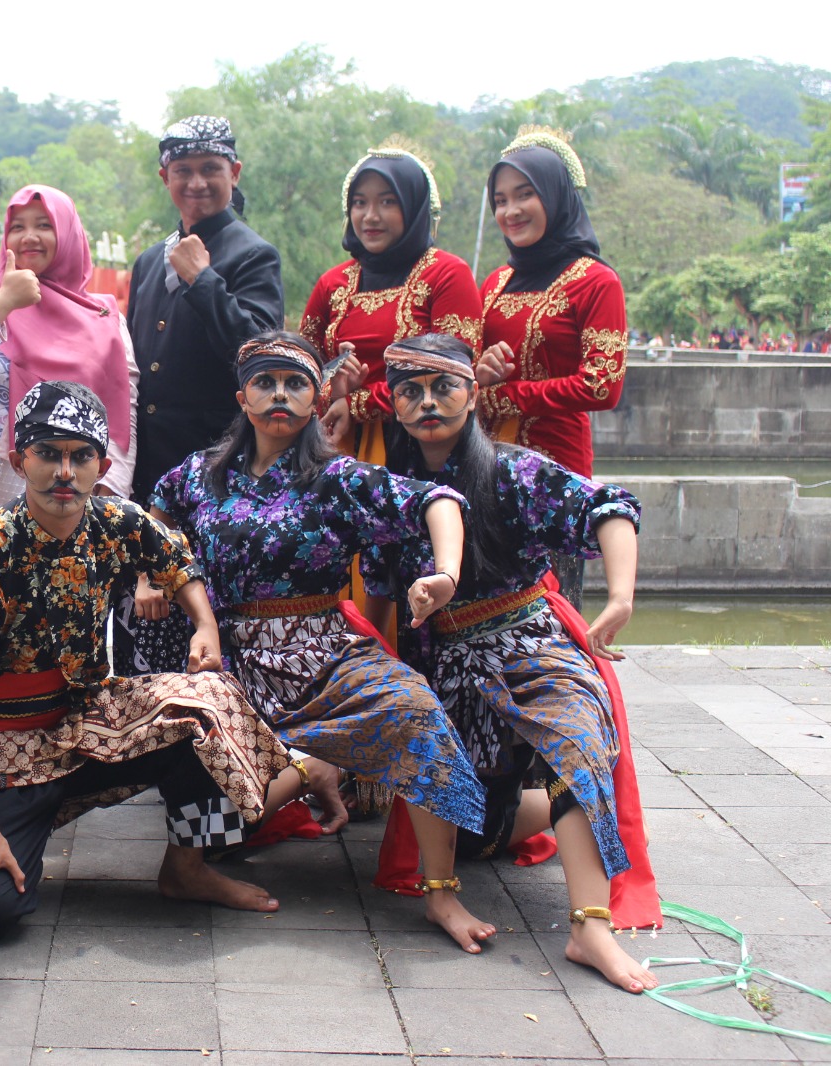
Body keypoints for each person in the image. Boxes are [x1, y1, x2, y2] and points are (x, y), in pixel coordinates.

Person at [151, 332, 495, 953]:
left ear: (316, 400)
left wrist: (445, 574)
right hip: (230, 657)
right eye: (265, 383)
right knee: (212, 777)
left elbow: (440, 499)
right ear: (243, 397)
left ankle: (441, 892)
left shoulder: (337, 479)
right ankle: (190, 865)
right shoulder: (202, 474)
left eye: (296, 384)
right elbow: (158, 516)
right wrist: (157, 576)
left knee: (415, 710)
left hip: (323, 649)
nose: (280, 395)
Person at [0, 381, 301, 942]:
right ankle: (6, 826)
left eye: (80, 456)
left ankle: (187, 869)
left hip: (89, 722)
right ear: (19, 460)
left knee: (208, 703)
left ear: (101, 466)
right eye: (48, 453)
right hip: (10, 748)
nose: (65, 472)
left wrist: (205, 626)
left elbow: (174, 556)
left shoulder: (113, 520)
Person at [366, 333, 661, 992]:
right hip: (442, 661)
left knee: (575, 731)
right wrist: (381, 666)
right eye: (411, 391)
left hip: (529, 645)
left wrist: (620, 596)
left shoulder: (512, 472)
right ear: (395, 404)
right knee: (445, 773)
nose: (428, 402)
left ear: (472, 395)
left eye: (443, 387)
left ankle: (590, 927)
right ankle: (441, 895)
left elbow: (609, 506)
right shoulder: (389, 492)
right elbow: (382, 594)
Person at [119, 115, 284, 675]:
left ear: (234, 173)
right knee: (142, 634)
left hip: (219, 473)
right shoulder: (149, 260)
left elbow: (261, 359)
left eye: (210, 169)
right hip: (151, 476)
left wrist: (203, 280)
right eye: (183, 170)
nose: (196, 182)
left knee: (211, 635)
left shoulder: (253, 255)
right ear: (164, 177)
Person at [0, 184, 138, 543]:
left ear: (68, 234)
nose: (29, 236)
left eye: (44, 225)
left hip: (72, 492)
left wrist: (112, 486)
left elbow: (122, 404)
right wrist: (2, 304)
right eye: (17, 226)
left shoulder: (103, 315)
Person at [475, 128, 628, 605]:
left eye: (526, 194)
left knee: (553, 603)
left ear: (557, 195)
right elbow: (471, 364)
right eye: (500, 200)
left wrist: (510, 395)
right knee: (490, 601)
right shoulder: (496, 282)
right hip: (486, 460)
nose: (511, 211)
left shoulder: (596, 281)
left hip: (555, 464)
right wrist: (479, 372)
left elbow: (602, 385)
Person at [304, 142, 482, 466]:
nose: (370, 216)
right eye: (359, 203)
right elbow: (302, 371)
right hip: (335, 449)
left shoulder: (446, 274)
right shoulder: (333, 283)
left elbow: (454, 374)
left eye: (387, 201)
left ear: (413, 206)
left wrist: (357, 403)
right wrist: (334, 391)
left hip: (424, 450)